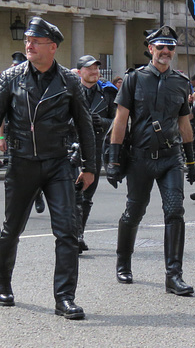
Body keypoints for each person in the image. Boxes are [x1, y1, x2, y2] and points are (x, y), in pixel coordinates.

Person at [0, 16, 96, 320]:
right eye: (27, 41)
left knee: (68, 232)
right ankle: (2, 283)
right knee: (11, 229)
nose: (29, 46)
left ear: (53, 47)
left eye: (36, 42)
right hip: (22, 163)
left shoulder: (70, 81)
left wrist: (89, 166)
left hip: (58, 163)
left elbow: (85, 128)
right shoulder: (11, 77)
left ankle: (65, 298)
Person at [106, 26, 195, 296]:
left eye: (170, 48)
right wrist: (113, 159)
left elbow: (184, 124)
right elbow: (120, 120)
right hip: (140, 157)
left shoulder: (181, 82)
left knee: (175, 212)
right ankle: (123, 262)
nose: (165, 52)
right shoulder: (134, 79)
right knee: (134, 211)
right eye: (160, 48)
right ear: (151, 49)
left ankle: (174, 275)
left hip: (170, 158)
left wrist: (191, 161)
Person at [75, 55, 117, 252]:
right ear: (80, 72)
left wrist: (102, 122)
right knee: (73, 195)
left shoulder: (108, 93)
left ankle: (79, 234)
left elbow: (118, 120)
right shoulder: (71, 92)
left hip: (96, 147)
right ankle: (73, 236)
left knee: (86, 196)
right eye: (89, 69)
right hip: (73, 148)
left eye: (96, 69)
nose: (94, 72)